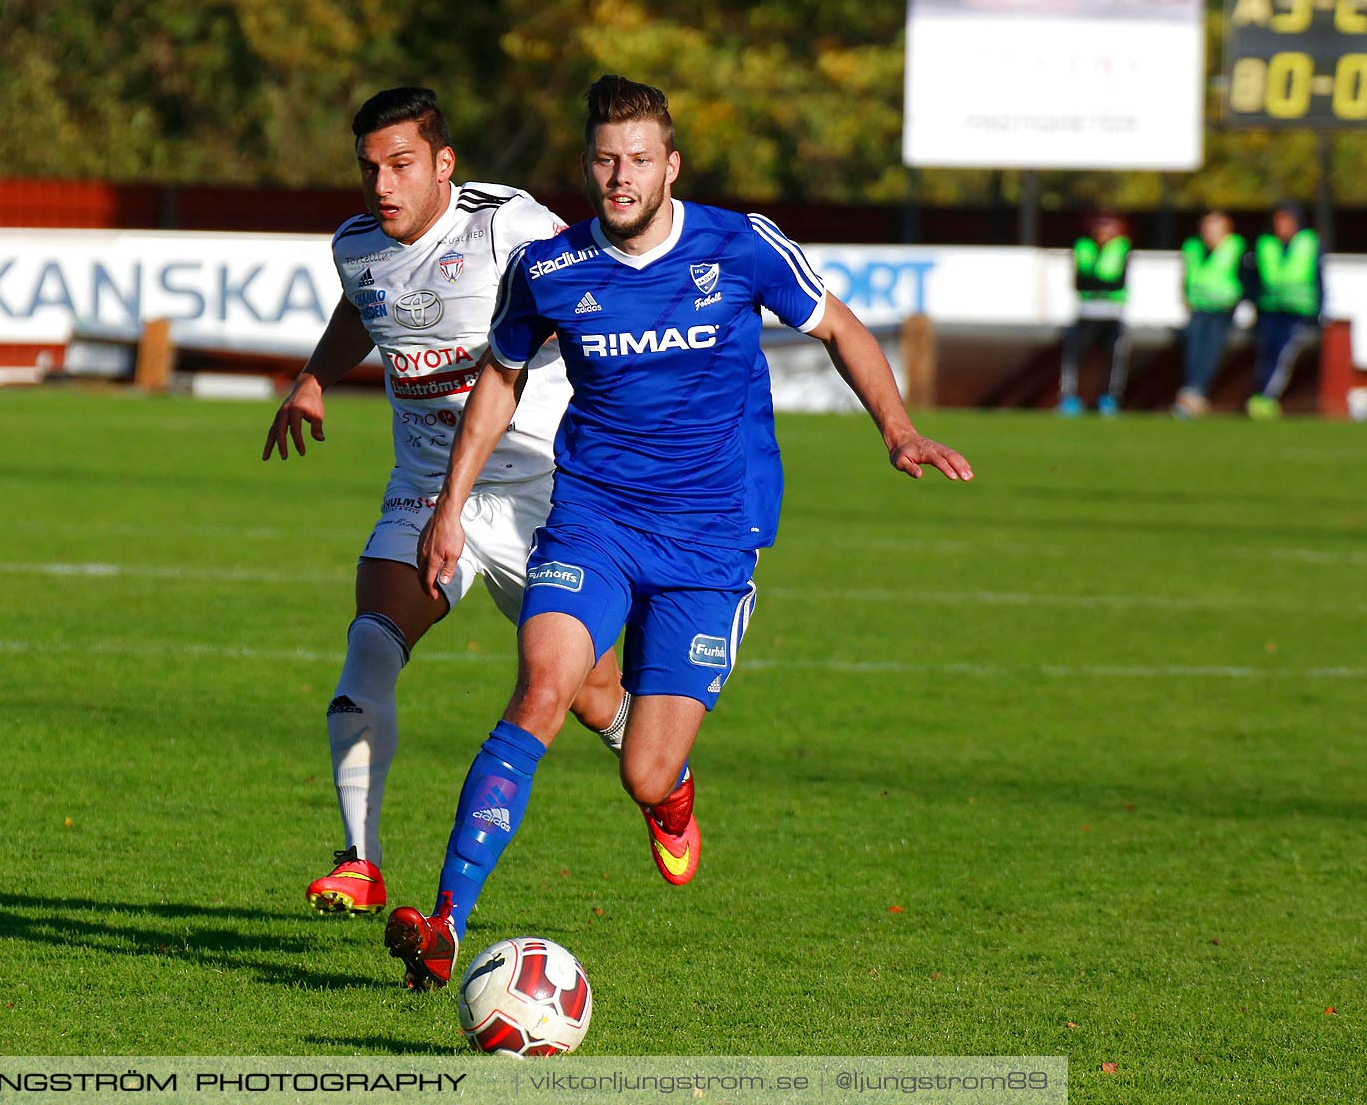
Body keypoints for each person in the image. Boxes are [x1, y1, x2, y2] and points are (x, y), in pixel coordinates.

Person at [382, 75, 972, 990]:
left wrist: (897, 429)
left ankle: (670, 795)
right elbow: (498, 380)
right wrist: (450, 505)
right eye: (606, 160)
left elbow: (839, 327)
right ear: (587, 165)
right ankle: (448, 922)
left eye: (640, 160)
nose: (621, 177)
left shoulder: (737, 244)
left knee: (646, 773)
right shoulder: (548, 269)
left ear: (671, 166)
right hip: (593, 522)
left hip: (711, 541)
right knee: (544, 688)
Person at [263, 87, 681, 918]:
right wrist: (314, 377)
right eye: (370, 168)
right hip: (426, 492)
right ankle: (360, 859)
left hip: (544, 492)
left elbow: (593, 289)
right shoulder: (355, 246)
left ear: (443, 165)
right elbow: (365, 308)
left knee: (595, 697)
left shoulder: (506, 227)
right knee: (368, 652)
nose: (382, 185)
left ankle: (667, 784)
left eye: (401, 166)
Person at [1246, 203, 1324, 420]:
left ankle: (1266, 397)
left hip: (1298, 311)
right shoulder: (1266, 244)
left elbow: (1319, 279)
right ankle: (1260, 395)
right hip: (1269, 309)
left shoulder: (1309, 243)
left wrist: (1318, 313)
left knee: (1283, 354)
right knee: (1266, 352)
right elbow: (1254, 280)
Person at [1174, 211, 1247, 418]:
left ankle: (1194, 392)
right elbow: (1186, 277)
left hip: (1222, 310)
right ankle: (1192, 393)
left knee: (1211, 348)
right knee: (1193, 347)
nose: (1208, 233)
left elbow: (1244, 279)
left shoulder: (1236, 248)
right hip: (1198, 308)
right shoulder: (1193, 247)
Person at [1058, 212, 1131, 417]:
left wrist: (1096, 282)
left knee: (1114, 355)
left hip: (1112, 313)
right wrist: (1099, 283)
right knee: (1073, 353)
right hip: (1086, 312)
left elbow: (1117, 281)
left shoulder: (1122, 248)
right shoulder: (1083, 247)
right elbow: (1080, 281)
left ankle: (1110, 398)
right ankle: (1069, 397)